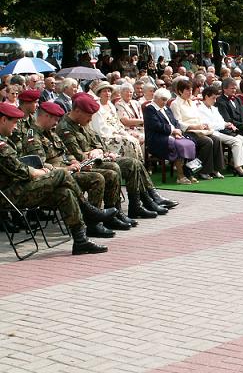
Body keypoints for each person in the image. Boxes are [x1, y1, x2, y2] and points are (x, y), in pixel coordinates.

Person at [0, 102, 109, 255]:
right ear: (3, 120)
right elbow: (22, 171)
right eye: (14, 122)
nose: (17, 126)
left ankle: (80, 240)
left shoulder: (7, 139)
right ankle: (89, 210)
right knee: (62, 174)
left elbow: (21, 166)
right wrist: (41, 172)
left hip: (19, 188)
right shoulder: (2, 146)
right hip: (9, 195)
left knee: (65, 193)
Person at [21, 101, 134, 235]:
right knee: (97, 178)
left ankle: (111, 215)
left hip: (69, 169)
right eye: (55, 119)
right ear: (46, 116)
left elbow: (66, 152)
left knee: (111, 174)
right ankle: (93, 222)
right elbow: (41, 165)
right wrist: (69, 168)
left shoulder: (50, 133)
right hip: (57, 175)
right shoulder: (32, 136)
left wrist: (76, 163)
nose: (56, 123)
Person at [57, 93, 176, 219]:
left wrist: (99, 151)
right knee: (116, 169)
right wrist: (93, 153)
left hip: (98, 158)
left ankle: (140, 203)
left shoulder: (83, 123)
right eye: (89, 115)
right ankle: (116, 211)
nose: (90, 119)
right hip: (87, 164)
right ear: (77, 111)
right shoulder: (65, 128)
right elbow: (77, 156)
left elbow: (98, 143)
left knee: (134, 162)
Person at [144, 88, 198, 185]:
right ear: (155, 98)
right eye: (163, 99)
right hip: (157, 138)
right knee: (177, 145)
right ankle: (180, 176)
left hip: (172, 135)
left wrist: (178, 131)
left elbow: (175, 122)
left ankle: (189, 173)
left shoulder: (167, 108)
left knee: (190, 143)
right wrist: (173, 131)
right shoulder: (149, 109)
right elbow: (156, 126)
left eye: (166, 100)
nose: (165, 102)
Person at [197, 85, 243, 176]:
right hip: (212, 133)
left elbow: (221, 120)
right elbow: (208, 125)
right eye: (213, 98)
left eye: (215, 98)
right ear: (206, 97)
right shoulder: (199, 109)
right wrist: (224, 125)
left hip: (221, 131)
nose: (215, 101)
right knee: (236, 141)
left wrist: (228, 124)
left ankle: (233, 163)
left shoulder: (214, 108)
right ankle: (238, 167)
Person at [90, 82, 144, 162]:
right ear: (99, 93)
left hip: (117, 133)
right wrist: (116, 133)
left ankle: (137, 165)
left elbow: (118, 122)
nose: (107, 93)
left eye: (109, 91)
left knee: (134, 139)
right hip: (105, 137)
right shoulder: (97, 108)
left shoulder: (111, 105)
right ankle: (129, 165)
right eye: (104, 91)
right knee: (129, 141)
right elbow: (100, 129)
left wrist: (122, 131)